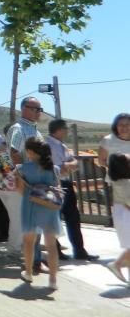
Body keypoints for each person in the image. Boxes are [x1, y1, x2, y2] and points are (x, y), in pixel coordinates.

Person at [48, 118, 97, 261]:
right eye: (65, 129)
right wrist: (69, 165)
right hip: (56, 185)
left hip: (66, 184)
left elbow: (73, 162)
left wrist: (69, 164)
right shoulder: (49, 146)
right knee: (54, 219)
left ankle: (79, 250)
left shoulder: (60, 145)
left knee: (73, 218)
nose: (67, 132)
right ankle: (56, 251)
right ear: (60, 130)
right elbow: (61, 168)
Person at [3, 97, 45, 264]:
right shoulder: (19, 129)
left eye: (39, 109)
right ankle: (29, 258)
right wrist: (26, 176)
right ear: (25, 109)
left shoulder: (35, 131)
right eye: (36, 108)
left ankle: (34, 258)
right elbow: (14, 153)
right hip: (28, 182)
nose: (38, 112)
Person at [16, 138, 61, 289]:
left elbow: (20, 190)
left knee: (29, 242)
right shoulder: (54, 169)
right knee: (51, 245)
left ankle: (28, 272)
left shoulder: (23, 168)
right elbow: (57, 188)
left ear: (30, 152)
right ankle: (53, 280)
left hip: (31, 206)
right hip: (49, 207)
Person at [99, 113, 130, 283]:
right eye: (121, 124)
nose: (124, 127)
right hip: (119, 181)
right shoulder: (108, 140)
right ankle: (118, 264)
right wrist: (116, 168)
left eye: (127, 124)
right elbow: (101, 160)